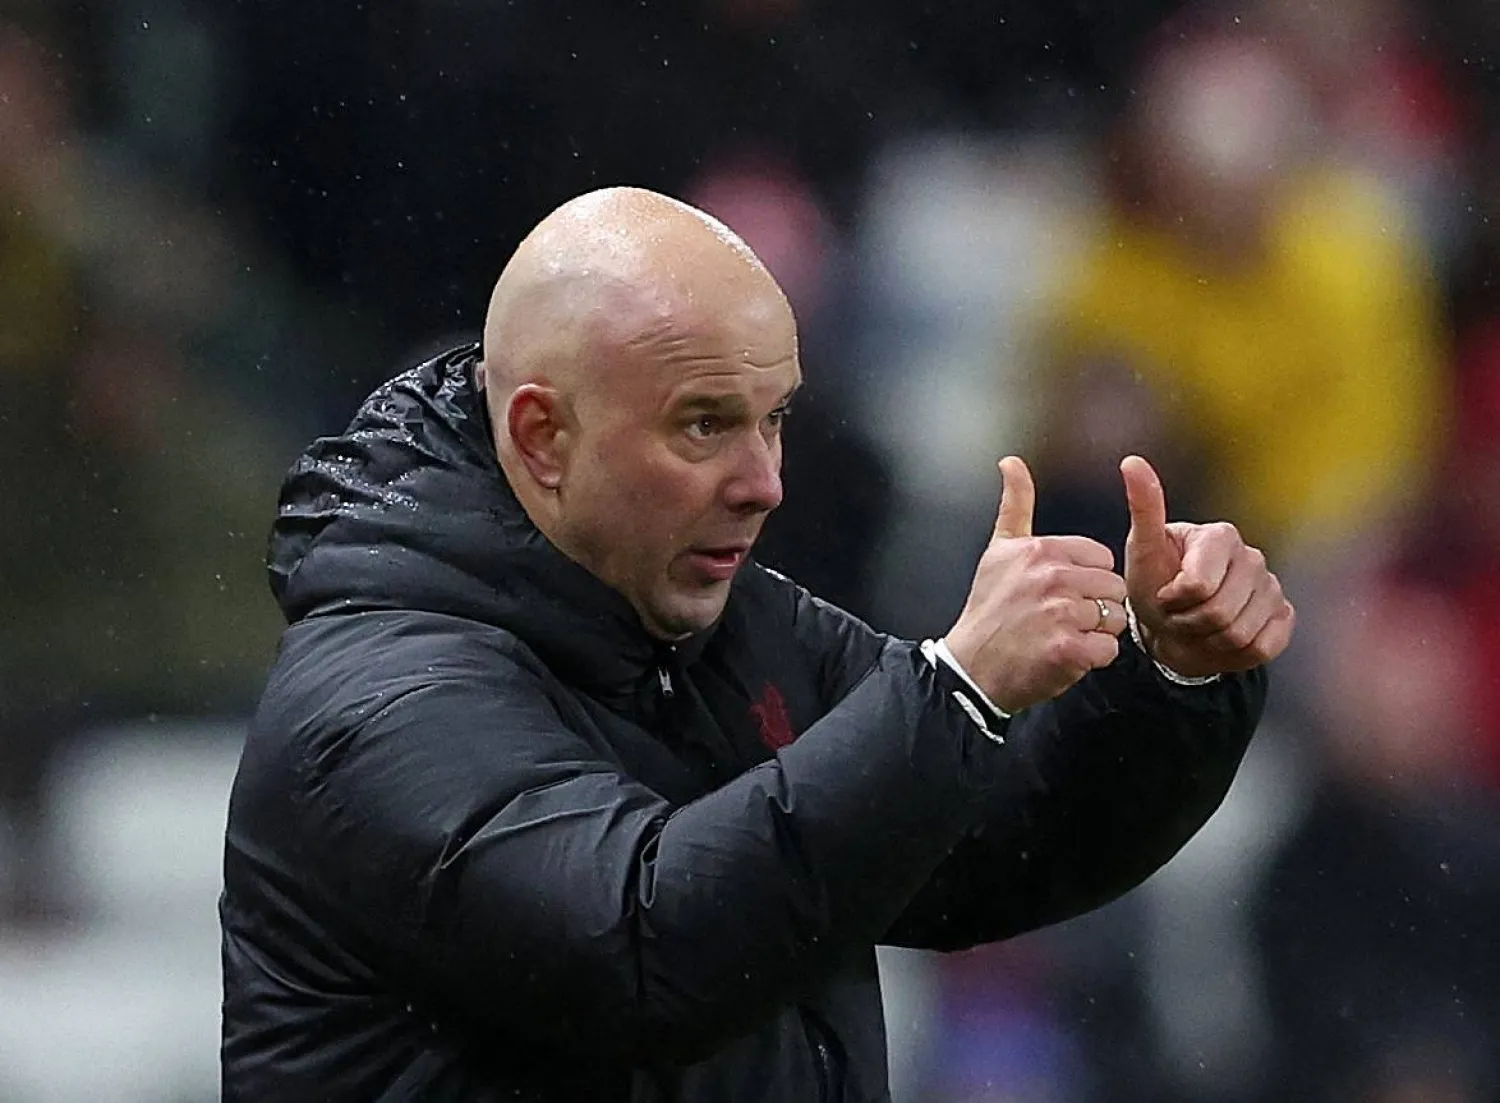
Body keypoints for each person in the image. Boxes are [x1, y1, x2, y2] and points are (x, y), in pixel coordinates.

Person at [219, 187, 1293, 1101]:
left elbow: (997, 844)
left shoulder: (724, 623)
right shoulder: (376, 703)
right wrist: (954, 690)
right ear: (543, 435)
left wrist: (1175, 672)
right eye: (704, 424)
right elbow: (644, 952)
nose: (765, 480)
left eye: (774, 417)